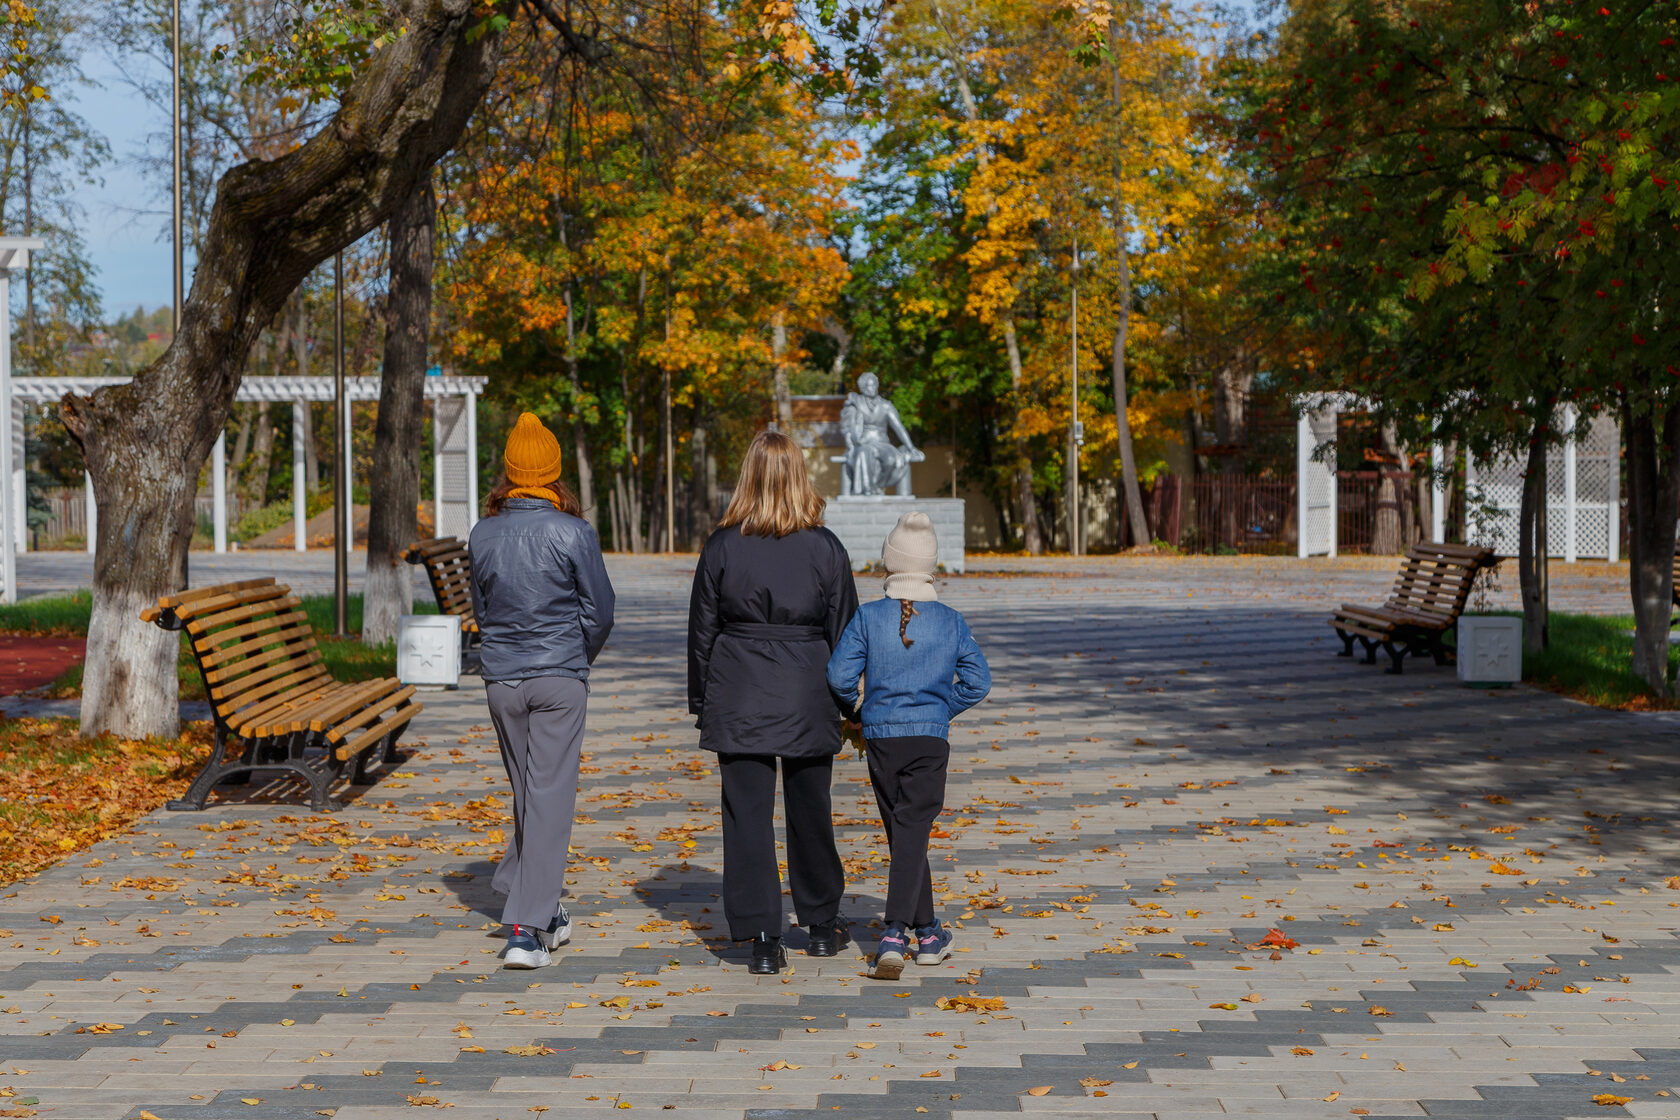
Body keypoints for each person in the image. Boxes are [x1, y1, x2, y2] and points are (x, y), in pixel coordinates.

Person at [687, 429, 860, 974]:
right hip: (808, 689)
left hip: (738, 689)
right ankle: (823, 923)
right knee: (812, 811)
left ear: (748, 477)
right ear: (800, 477)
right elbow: (846, 631)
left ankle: (762, 935)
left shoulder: (722, 545)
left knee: (747, 817)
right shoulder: (825, 547)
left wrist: (702, 700)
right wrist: (851, 705)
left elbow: (702, 632)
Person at [469, 412, 615, 970]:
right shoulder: (573, 532)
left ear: (509, 473)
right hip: (557, 674)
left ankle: (539, 904)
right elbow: (599, 612)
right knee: (549, 797)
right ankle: (526, 931)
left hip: (502, 679)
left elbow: (482, 612)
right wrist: (574, 661)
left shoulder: (483, 533)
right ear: (553, 474)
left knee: (531, 793)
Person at [825, 511, 990, 980]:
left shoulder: (868, 617)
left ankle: (930, 932)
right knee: (912, 832)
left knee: (905, 834)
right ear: (931, 565)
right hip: (929, 740)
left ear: (889, 563)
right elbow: (979, 682)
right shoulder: (951, 621)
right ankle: (896, 932)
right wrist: (942, 709)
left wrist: (856, 712)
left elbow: (838, 676)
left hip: (881, 738)